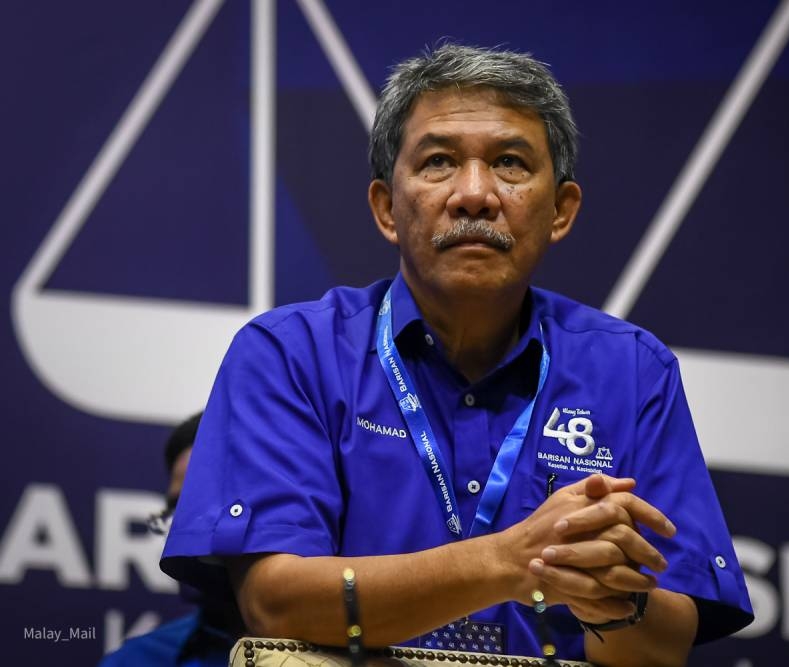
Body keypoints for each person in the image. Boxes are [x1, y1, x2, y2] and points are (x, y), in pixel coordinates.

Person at [161, 44, 753, 666]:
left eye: (510, 163)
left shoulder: (633, 372)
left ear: (561, 212)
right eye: (440, 161)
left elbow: (664, 648)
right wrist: (510, 560)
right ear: (388, 208)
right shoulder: (290, 354)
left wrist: (615, 599)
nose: (475, 195)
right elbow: (276, 604)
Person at [100, 413, 243, 667]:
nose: (185, 529)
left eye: (206, 504)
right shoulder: (134, 661)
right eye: (177, 509)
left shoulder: (330, 654)